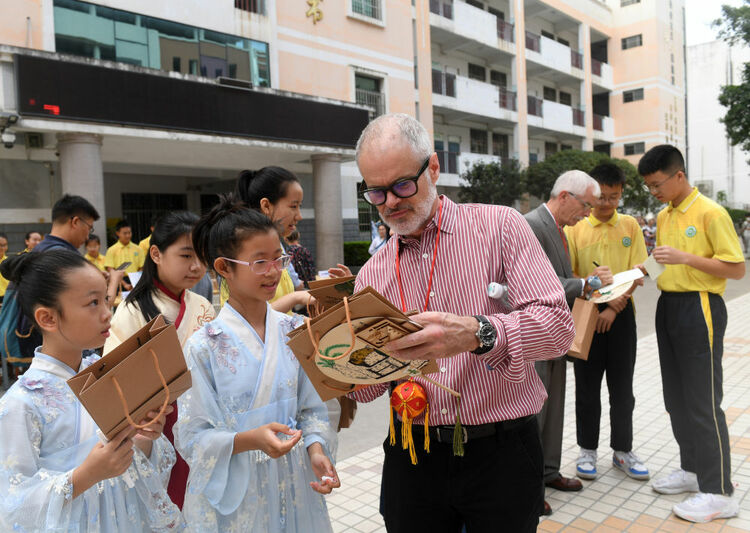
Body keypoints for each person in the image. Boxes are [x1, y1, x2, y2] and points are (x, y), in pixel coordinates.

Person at [349, 113, 575, 532]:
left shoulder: (500, 226)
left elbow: (559, 328)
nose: (391, 203)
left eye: (402, 185)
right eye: (376, 194)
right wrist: (339, 364)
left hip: (500, 450)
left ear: (433, 168)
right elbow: (368, 392)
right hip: (411, 453)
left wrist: (478, 332)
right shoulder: (373, 272)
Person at [175, 196, 339, 532]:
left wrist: (316, 449)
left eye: (278, 259)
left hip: (294, 480)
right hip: (239, 492)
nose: (274, 272)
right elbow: (193, 436)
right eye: (259, 262)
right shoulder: (204, 346)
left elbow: (311, 410)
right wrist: (249, 439)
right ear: (224, 268)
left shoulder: (295, 330)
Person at [0, 250, 183, 532]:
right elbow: (12, 504)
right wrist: (85, 475)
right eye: (93, 303)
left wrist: (145, 435)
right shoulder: (21, 402)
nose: (106, 313)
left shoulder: (110, 373)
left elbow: (135, 461)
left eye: (106, 300)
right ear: (48, 318)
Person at [639, 145, 745, 523]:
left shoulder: (710, 213)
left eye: (657, 185)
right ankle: (691, 470)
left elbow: (735, 269)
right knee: (676, 398)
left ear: (678, 176)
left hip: (700, 306)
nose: (654, 192)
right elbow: (659, 262)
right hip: (668, 306)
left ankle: (719, 492)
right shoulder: (665, 214)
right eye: (650, 187)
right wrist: (634, 276)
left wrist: (686, 258)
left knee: (702, 400)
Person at [104, 211, 215, 510]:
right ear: (156, 254)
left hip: (202, 421)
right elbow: (114, 377)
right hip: (155, 425)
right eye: (186, 255)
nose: (196, 266)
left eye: (202, 257)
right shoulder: (132, 311)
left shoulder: (202, 305)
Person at [524, 170, 611, 516]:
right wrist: (585, 283)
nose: (588, 213)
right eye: (586, 205)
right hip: (535, 334)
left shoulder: (558, 229)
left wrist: (584, 284)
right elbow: (535, 287)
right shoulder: (532, 225)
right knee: (536, 413)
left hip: (553, 336)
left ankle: (548, 471)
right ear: (564, 197)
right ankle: (530, 486)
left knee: (554, 408)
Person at [564, 163, 650, 483]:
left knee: (622, 388)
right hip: (585, 312)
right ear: (592, 193)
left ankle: (622, 451)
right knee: (586, 387)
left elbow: (639, 271)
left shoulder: (629, 225)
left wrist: (614, 306)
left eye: (614, 197)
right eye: (601, 197)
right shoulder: (575, 228)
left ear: (621, 194)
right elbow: (570, 276)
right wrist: (598, 301)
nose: (607, 204)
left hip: (621, 314)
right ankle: (587, 450)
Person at [228, 167, 312, 312]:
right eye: (293, 206)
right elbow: (247, 317)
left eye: (278, 259)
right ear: (266, 205)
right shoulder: (239, 249)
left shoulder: (278, 244)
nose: (299, 216)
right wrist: (295, 298)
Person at [105, 219, 146, 291]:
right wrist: (124, 284)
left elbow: (141, 267)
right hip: (119, 282)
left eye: (129, 233)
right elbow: (110, 269)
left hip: (136, 281)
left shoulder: (138, 249)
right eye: (125, 233)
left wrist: (136, 282)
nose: (127, 235)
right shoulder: (111, 250)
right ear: (118, 233)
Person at [0, 232, 8, 304]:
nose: (2, 248)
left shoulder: (9, 262)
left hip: (6, 298)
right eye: (0, 245)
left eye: (4, 245)